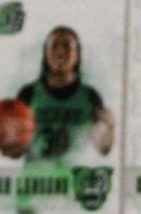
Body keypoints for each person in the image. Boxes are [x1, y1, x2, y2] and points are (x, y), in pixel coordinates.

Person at [15, 26, 115, 160]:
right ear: (46, 53)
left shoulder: (91, 96)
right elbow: (15, 152)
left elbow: (102, 148)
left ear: (77, 54)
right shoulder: (28, 93)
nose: (60, 51)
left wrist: (111, 127)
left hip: (76, 178)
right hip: (37, 178)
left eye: (67, 46)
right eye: (54, 46)